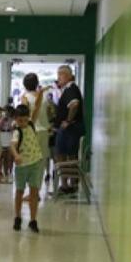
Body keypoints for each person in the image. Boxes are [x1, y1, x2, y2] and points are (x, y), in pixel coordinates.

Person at [11, 103, 46, 233]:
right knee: (19, 191)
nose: (23, 123)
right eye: (20, 120)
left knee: (34, 192)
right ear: (16, 119)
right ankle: (17, 217)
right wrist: (16, 156)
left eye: (26, 120)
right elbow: (12, 146)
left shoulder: (31, 125)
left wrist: (40, 95)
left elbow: (36, 109)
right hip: (22, 166)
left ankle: (33, 220)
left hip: (35, 163)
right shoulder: (17, 131)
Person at [53, 65, 86, 194]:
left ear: (67, 75)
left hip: (70, 130)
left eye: (60, 75)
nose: (58, 78)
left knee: (64, 156)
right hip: (71, 130)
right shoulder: (69, 89)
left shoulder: (70, 88)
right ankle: (69, 184)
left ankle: (67, 185)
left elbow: (74, 104)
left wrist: (67, 121)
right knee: (68, 156)